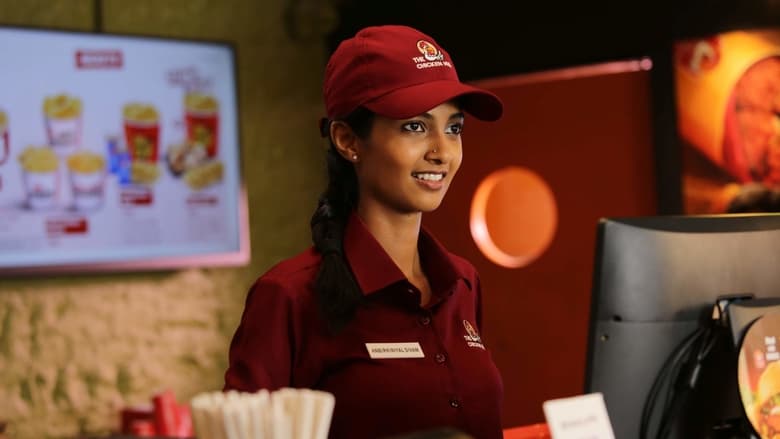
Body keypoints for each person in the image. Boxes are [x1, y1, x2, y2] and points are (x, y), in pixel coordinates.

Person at [224, 24, 504, 438]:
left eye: (454, 128)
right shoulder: (287, 297)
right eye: (415, 126)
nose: (442, 152)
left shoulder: (463, 283)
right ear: (347, 140)